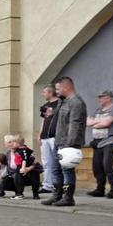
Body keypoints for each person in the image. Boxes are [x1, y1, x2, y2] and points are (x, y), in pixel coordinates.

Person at [42, 76, 87, 207]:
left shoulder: (76, 102)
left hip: (67, 143)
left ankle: (68, 198)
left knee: (66, 170)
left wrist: (70, 144)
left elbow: (75, 124)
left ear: (66, 87)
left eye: (58, 89)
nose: (56, 92)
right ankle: (57, 196)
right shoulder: (64, 101)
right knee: (55, 169)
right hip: (58, 140)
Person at [86, 90, 113, 199]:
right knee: (97, 167)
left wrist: (95, 122)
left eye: (101, 97)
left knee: (107, 165)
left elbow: (106, 123)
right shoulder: (98, 110)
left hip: (110, 140)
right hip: (97, 141)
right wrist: (98, 123)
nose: (99, 99)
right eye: (99, 97)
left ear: (109, 98)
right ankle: (100, 189)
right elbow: (87, 122)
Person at [38, 84, 59, 194]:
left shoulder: (59, 104)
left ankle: (59, 184)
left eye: (44, 92)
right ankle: (47, 185)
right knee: (46, 162)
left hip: (55, 136)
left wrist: (53, 113)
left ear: (50, 93)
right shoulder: (45, 105)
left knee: (57, 161)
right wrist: (39, 134)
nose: (42, 94)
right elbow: (44, 121)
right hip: (45, 137)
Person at [7, 134, 41, 199]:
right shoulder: (16, 150)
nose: (12, 144)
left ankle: (35, 193)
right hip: (19, 169)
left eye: (13, 142)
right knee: (18, 177)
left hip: (29, 169)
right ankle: (19, 193)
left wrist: (26, 168)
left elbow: (27, 160)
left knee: (35, 176)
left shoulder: (25, 150)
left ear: (18, 143)